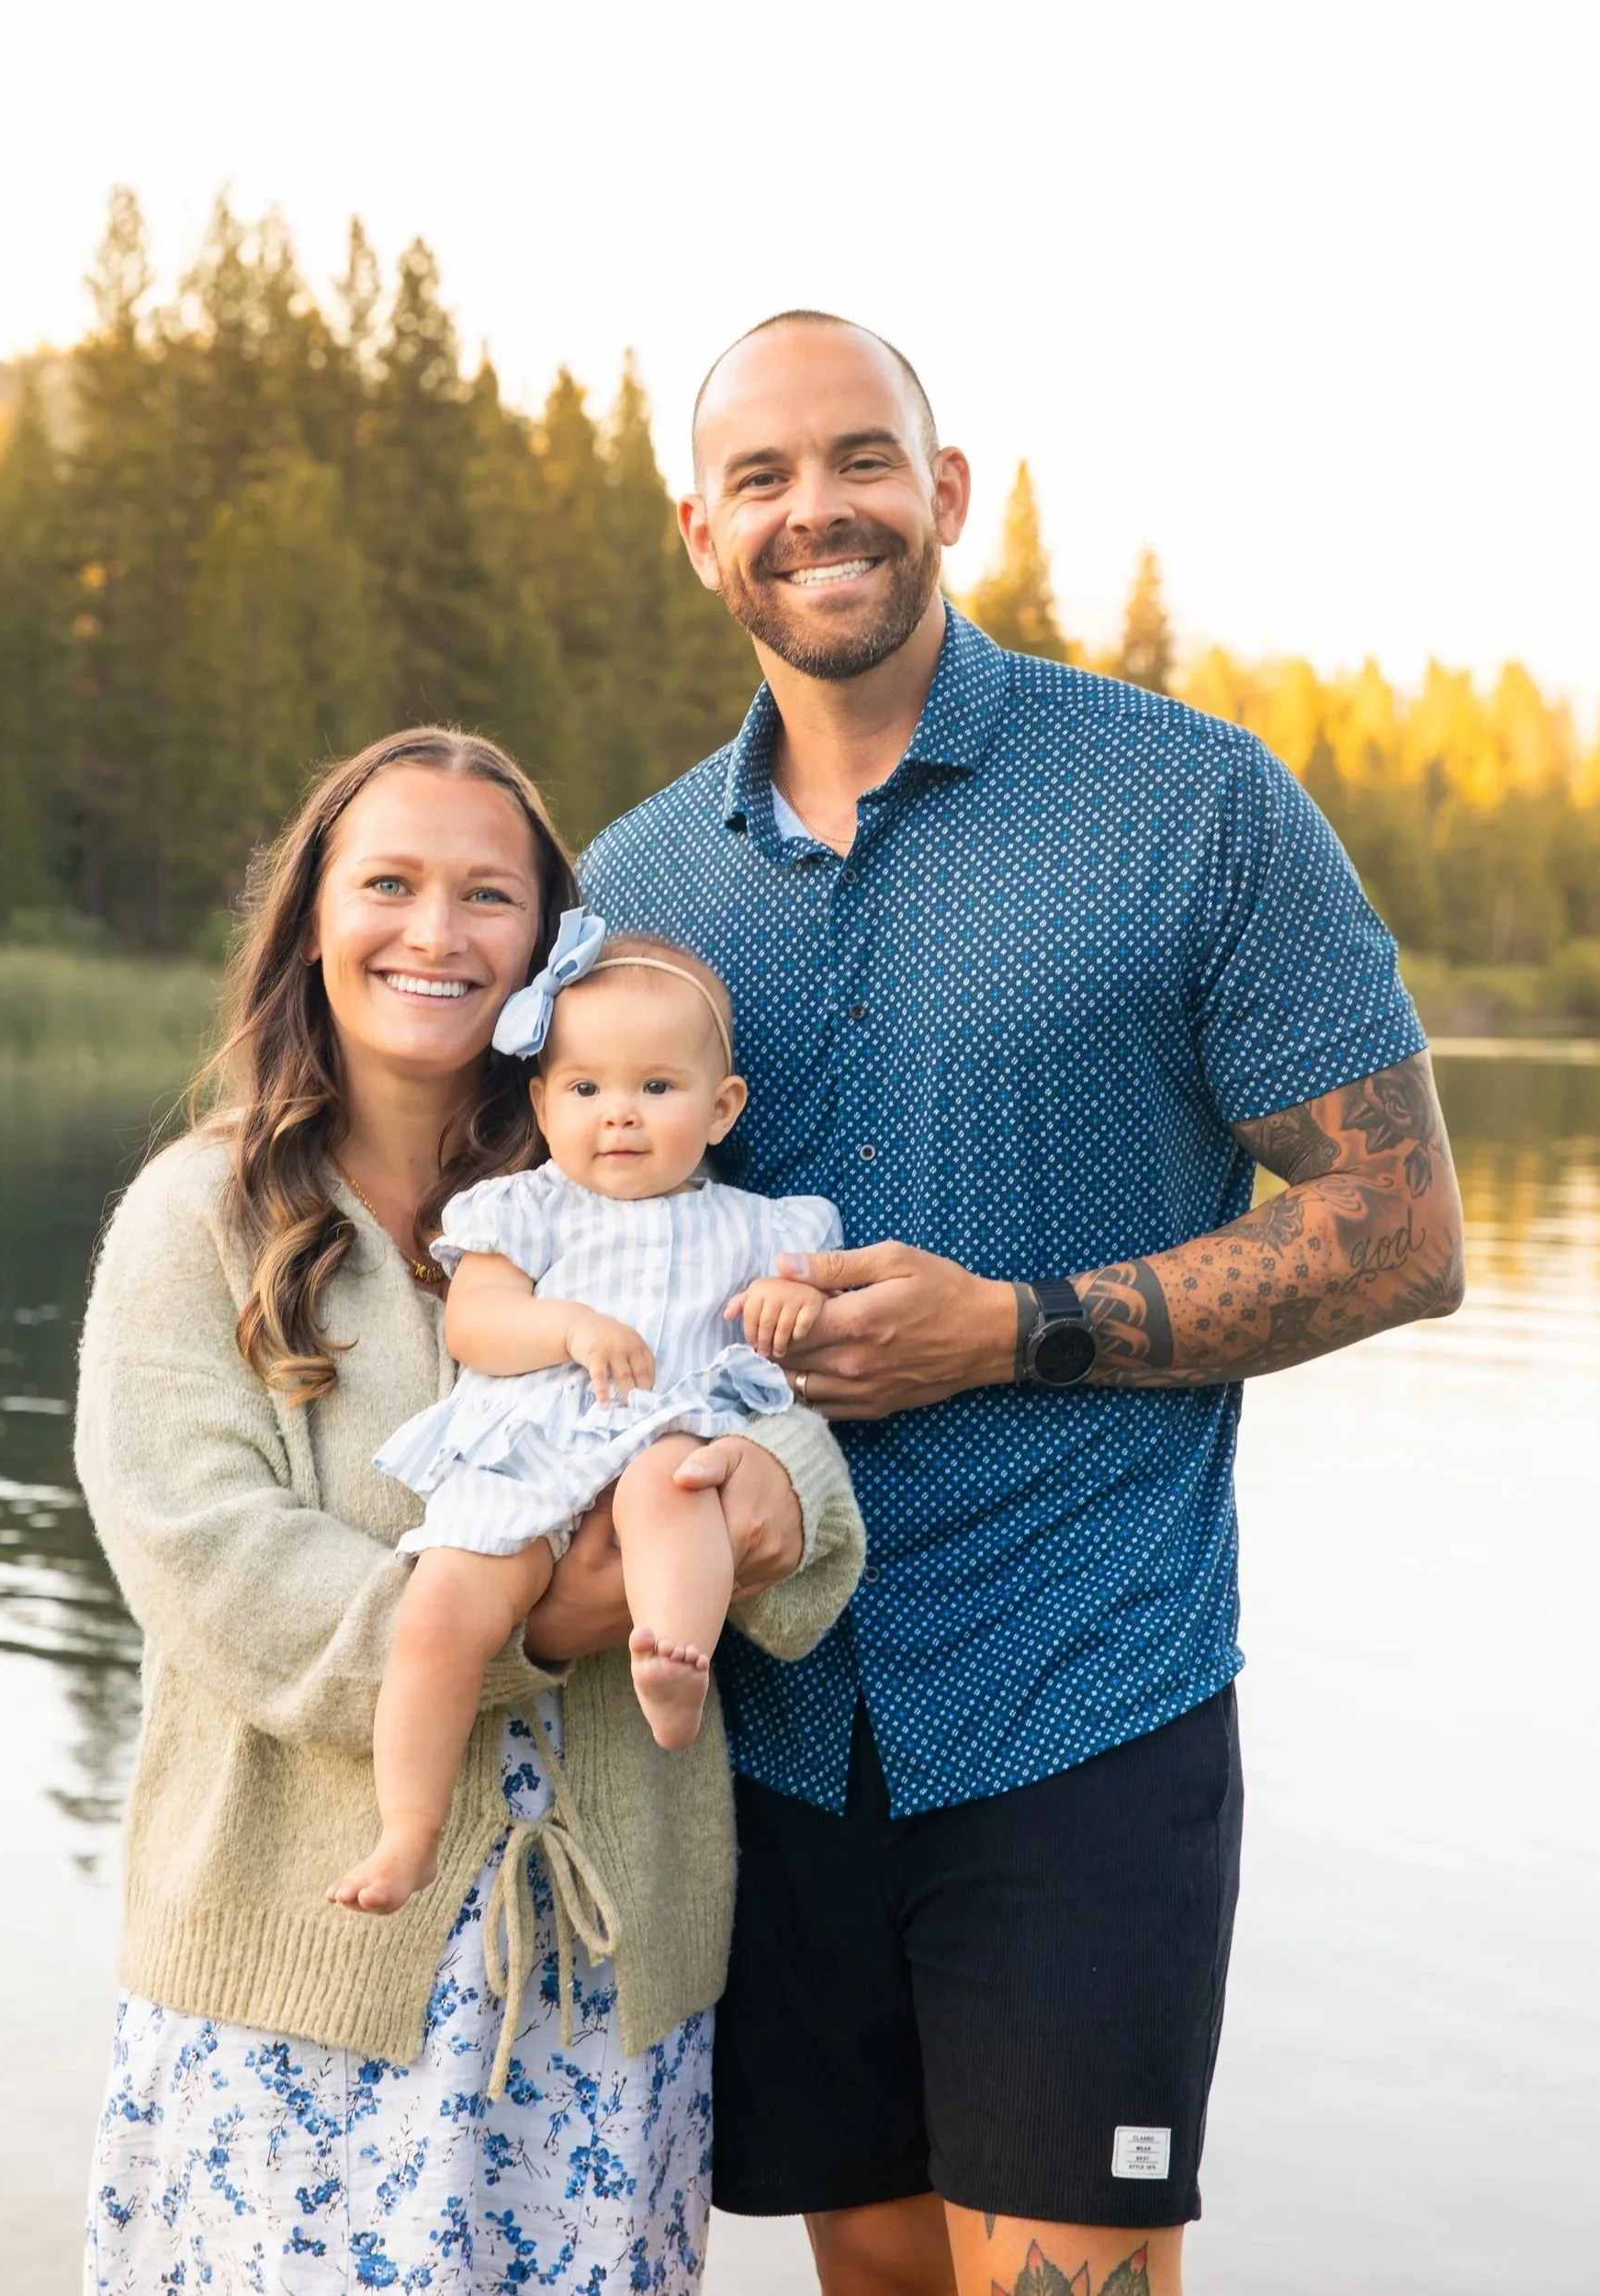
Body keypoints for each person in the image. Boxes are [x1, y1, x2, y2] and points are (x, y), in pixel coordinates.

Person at [580, 312, 1467, 2296]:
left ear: (942, 489)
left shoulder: (1187, 802)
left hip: (1082, 1696)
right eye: (761, 477)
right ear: (699, 536)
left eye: (860, 459)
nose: (817, 507)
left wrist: (1008, 1326)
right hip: (773, 1717)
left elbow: (1403, 1228)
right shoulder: (634, 889)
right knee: (876, 2272)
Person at [73, 726, 864, 2293]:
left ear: (542, 949)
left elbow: (783, 1433)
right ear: (315, 918)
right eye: (389, 884)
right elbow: (209, 1565)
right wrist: (543, 1621)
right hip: (298, 1977)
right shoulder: (202, 1215)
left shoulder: (633, 1182)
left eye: (486, 896)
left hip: (598, 1986)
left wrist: (760, 1497)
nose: (432, 932)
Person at [330, 913, 844, 1913]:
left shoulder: (758, 1226)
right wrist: (563, 1325)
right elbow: (476, 1325)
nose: (619, 1114)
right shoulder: (525, 1207)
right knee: (439, 1613)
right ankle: (407, 1829)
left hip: (659, 1433)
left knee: (677, 1485)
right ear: (541, 1098)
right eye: (585, 1088)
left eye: (656, 1088)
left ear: (722, 1106)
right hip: (530, 1458)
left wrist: (798, 1301)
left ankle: (673, 1653)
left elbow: (808, 1316)